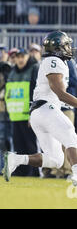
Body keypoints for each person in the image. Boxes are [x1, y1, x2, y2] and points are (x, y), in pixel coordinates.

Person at [2, 31, 77, 186]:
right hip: (45, 109)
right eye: (66, 45)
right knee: (72, 138)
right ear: (58, 47)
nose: (69, 48)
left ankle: (16, 159)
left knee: (55, 160)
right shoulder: (54, 61)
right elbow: (61, 93)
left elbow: (57, 96)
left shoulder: (56, 62)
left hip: (41, 110)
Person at [4, 48, 39, 177]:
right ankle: (22, 171)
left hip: (28, 115)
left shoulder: (34, 68)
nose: (19, 59)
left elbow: (35, 93)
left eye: (22, 56)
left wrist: (33, 112)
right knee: (19, 146)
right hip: (16, 115)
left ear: (27, 57)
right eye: (17, 57)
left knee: (31, 146)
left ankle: (35, 172)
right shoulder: (13, 72)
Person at [0, 45, 11, 173]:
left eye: (3, 51)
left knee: (6, 141)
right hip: (3, 110)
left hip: (9, 111)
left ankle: (7, 167)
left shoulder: (10, 69)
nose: (1, 54)